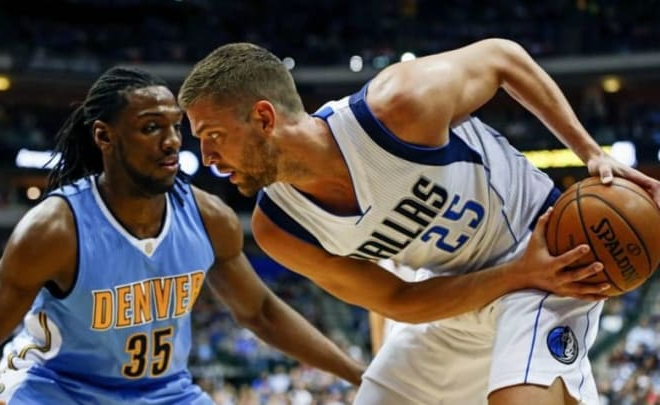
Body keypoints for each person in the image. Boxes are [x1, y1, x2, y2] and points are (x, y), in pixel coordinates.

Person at [178, 39, 660, 405]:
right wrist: (513, 275)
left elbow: (503, 57)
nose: (206, 155)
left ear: (264, 118)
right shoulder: (279, 228)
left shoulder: (397, 106)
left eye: (213, 134)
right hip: (456, 294)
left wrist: (591, 152)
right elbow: (397, 299)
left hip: (547, 253)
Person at [0, 66, 364, 405]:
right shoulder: (54, 229)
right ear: (105, 136)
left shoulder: (208, 217)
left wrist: (357, 374)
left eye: (175, 127)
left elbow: (263, 314)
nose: (171, 143)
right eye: (150, 128)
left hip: (164, 392)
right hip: (56, 389)